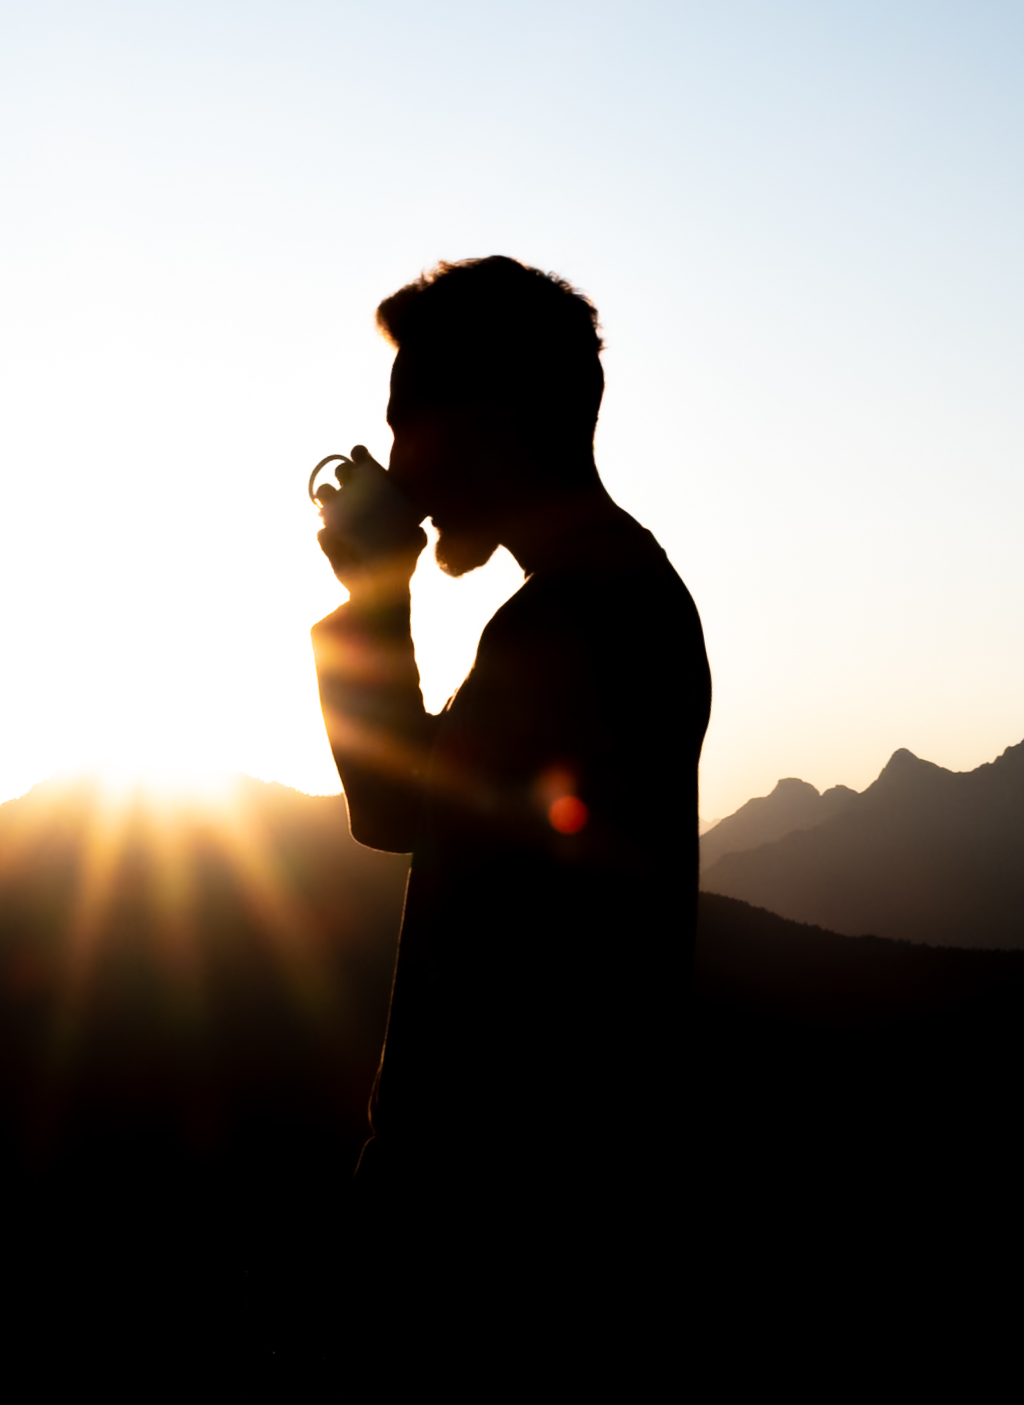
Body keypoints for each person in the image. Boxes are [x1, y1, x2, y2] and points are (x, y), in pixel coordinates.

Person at [311, 258, 712, 1245]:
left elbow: (396, 812)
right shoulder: (601, 602)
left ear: (492, 423)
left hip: (494, 1220)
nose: (397, 466)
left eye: (411, 422)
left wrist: (371, 597)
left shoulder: (573, 623)